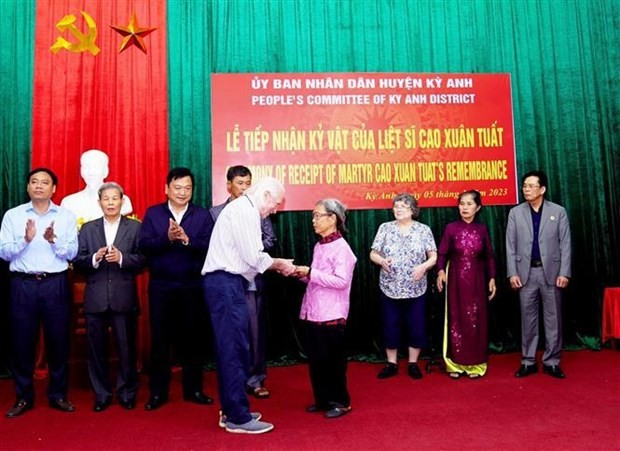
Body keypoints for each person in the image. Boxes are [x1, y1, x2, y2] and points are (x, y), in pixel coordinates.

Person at [202, 176, 295, 434]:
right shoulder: (246, 212)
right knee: (234, 350)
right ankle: (238, 418)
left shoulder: (242, 209)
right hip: (225, 284)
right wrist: (280, 264)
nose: (274, 210)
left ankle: (231, 409)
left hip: (228, 284)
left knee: (235, 349)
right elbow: (253, 257)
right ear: (264, 194)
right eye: (275, 204)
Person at [0, 168, 78, 418]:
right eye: (34, 182)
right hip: (22, 285)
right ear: (27, 187)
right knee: (22, 343)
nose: (39, 186)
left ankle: (58, 395)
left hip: (55, 284)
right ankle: (23, 397)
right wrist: (26, 239)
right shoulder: (13, 216)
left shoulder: (66, 216)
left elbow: (73, 253)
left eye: (45, 182)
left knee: (58, 342)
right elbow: (4, 252)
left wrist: (54, 241)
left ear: (54, 188)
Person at [138, 167, 215, 410]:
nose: (183, 192)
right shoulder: (153, 214)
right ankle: (158, 393)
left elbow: (209, 247)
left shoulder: (202, 215)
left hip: (192, 286)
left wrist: (187, 240)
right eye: (178, 187)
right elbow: (144, 246)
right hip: (161, 286)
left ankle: (194, 389)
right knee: (160, 341)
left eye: (187, 188)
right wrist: (168, 238)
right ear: (167, 189)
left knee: (193, 339)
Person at [73, 182, 145, 412]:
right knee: (96, 350)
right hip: (95, 298)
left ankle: (126, 392)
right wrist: (95, 257)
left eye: (115, 198)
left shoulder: (135, 227)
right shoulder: (87, 229)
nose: (111, 202)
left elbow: (143, 260)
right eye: (107, 199)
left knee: (126, 349)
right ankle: (102, 394)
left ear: (122, 201)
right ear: (99, 202)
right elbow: (79, 261)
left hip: (123, 297)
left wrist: (122, 258)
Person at [209, 165, 276, 399]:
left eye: (249, 183)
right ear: (229, 185)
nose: (245, 188)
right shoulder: (217, 212)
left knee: (255, 332)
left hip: (252, 281)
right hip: (229, 280)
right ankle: (235, 396)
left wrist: (253, 246)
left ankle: (256, 379)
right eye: (240, 183)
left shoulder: (258, 211)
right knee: (232, 339)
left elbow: (269, 240)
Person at [293, 199, 357, 419]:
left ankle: (341, 402)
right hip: (314, 311)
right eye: (313, 216)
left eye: (318, 215)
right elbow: (319, 279)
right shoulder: (320, 245)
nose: (313, 220)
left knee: (334, 363)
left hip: (332, 314)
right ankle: (322, 399)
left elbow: (341, 281)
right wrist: (301, 274)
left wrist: (309, 272)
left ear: (333, 219)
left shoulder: (342, 249)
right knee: (318, 361)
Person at [506, 170, 571, 379]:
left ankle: (552, 361)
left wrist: (565, 272)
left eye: (531, 186)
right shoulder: (515, 213)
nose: (526, 189)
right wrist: (512, 273)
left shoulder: (558, 212)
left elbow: (566, 244)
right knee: (528, 319)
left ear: (542, 189)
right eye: (524, 186)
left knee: (553, 319)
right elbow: (511, 246)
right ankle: (528, 361)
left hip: (551, 273)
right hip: (525, 274)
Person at [370, 193, 437, 380]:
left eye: (403, 206)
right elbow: (373, 254)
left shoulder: (423, 230)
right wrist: (381, 261)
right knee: (390, 324)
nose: (398, 209)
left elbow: (434, 256)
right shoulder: (385, 228)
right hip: (389, 287)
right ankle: (391, 363)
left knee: (416, 324)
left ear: (413, 210)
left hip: (416, 287)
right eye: (396, 206)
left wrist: (424, 266)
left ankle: (413, 363)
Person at [436, 190, 496, 379]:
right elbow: (442, 253)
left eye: (469, 204)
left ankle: (476, 365)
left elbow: (489, 256)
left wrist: (492, 278)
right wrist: (440, 272)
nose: (464, 207)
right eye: (462, 203)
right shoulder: (451, 228)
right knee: (456, 319)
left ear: (478, 207)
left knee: (476, 320)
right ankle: (454, 364)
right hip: (456, 281)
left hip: (477, 281)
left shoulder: (482, 229)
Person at [61, 149, 133, 222]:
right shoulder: (68, 202)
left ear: (106, 171)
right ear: (81, 171)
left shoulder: (123, 201)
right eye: (86, 167)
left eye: (96, 167)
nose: (91, 172)